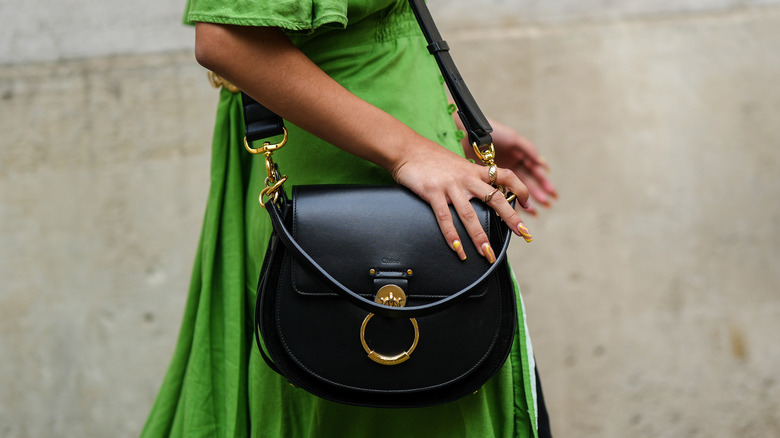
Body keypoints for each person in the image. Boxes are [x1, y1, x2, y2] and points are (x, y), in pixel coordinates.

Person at [142, 0, 557, 436]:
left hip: (384, 163)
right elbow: (227, 39)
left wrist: (446, 117)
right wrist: (409, 150)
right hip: (350, 178)